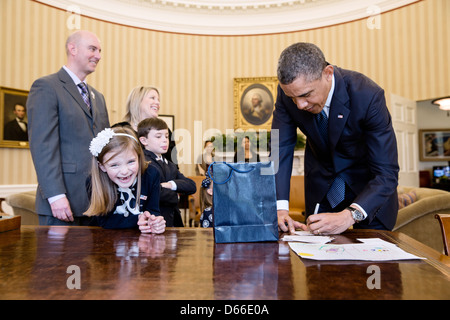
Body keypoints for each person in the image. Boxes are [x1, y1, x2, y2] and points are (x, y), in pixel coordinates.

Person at [272, 42, 399, 235]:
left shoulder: (368, 95)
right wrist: (280, 207)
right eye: (293, 98)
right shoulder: (287, 94)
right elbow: (280, 148)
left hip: (368, 193)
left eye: (306, 95)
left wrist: (350, 215)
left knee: (372, 262)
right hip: (323, 189)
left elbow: (387, 172)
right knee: (318, 261)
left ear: (328, 73)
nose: (299, 105)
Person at [27, 30, 110, 226]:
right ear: (72, 49)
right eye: (92, 49)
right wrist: (55, 195)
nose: (98, 55)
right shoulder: (47, 87)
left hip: (97, 203)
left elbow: (105, 148)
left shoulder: (98, 97)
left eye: (99, 50)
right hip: (61, 205)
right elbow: (43, 146)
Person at [84, 127, 165, 233]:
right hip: (104, 240)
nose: (124, 171)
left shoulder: (152, 174)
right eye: (114, 165)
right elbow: (105, 222)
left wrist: (154, 221)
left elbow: (153, 211)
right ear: (102, 166)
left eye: (131, 161)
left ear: (139, 158)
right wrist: (138, 220)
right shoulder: (94, 181)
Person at [138, 117, 196, 227]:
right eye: (158, 136)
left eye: (166, 136)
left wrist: (170, 185)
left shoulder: (170, 164)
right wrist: (176, 195)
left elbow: (191, 185)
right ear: (144, 140)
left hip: (173, 222)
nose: (165, 140)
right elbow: (152, 194)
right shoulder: (143, 163)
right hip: (154, 223)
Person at [122, 85, 177, 164]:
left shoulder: (166, 131)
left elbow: (174, 166)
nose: (158, 103)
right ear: (137, 101)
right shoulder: (122, 130)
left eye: (158, 100)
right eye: (152, 98)